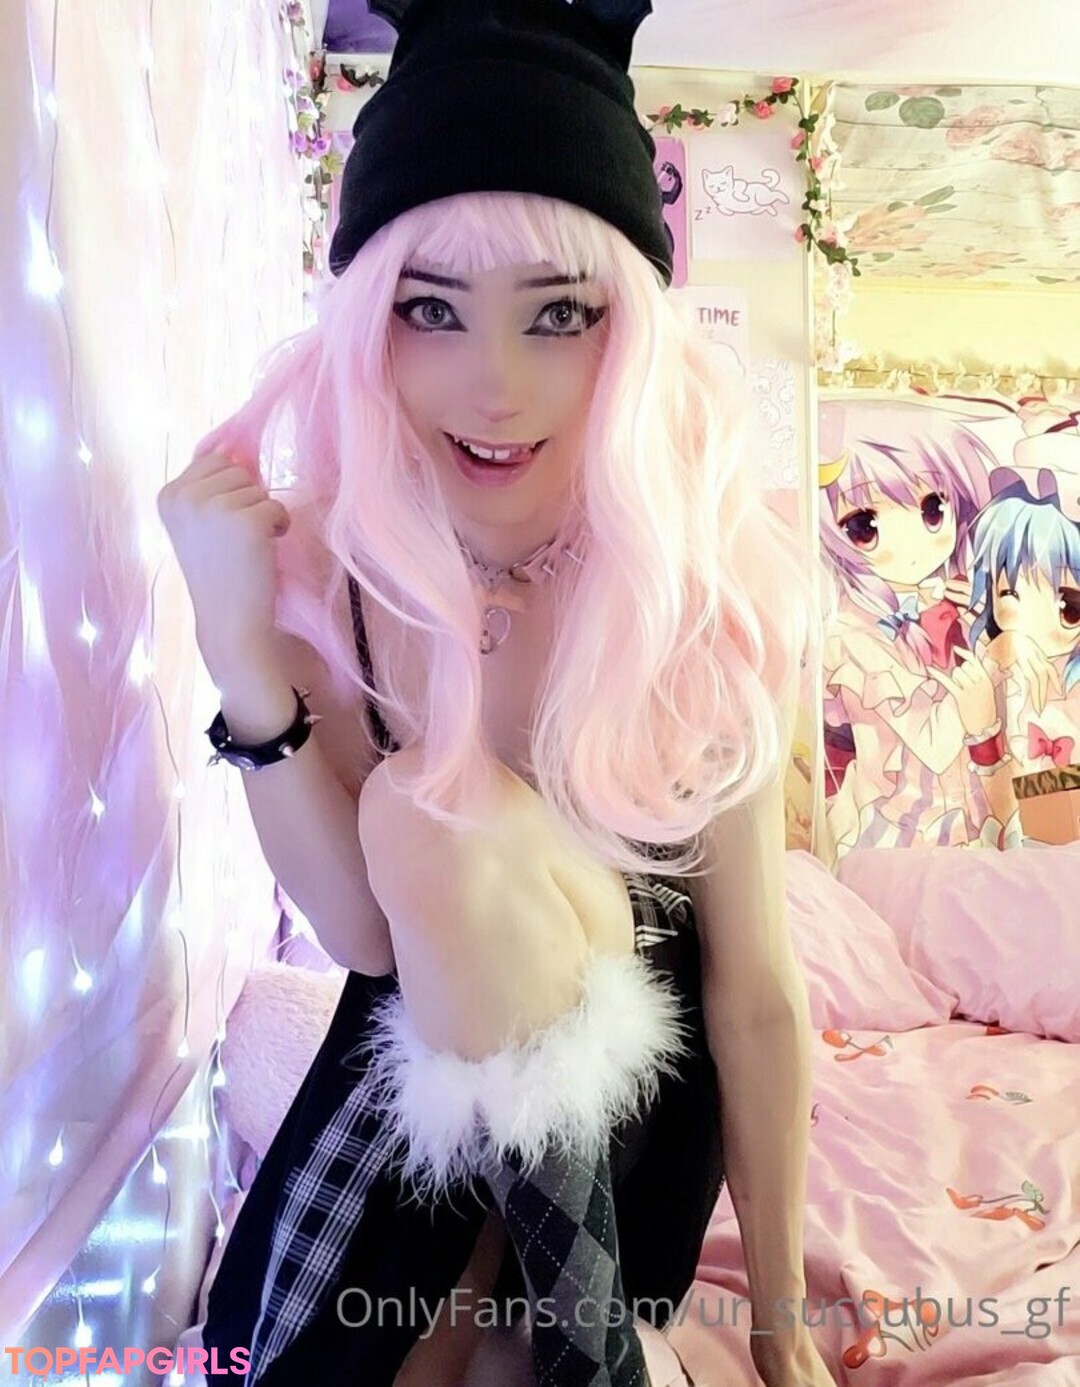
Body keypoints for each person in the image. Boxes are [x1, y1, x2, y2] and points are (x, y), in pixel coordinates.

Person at [158, 2, 831, 1383]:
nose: (496, 384)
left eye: (559, 314)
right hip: (409, 1104)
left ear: (627, 332)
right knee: (429, 826)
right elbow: (360, 935)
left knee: (440, 816)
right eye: (432, 310)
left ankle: (574, 1342)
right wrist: (239, 648)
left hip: (627, 1129)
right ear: (370, 326)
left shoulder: (696, 594)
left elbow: (755, 990)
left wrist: (781, 1332)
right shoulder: (343, 580)